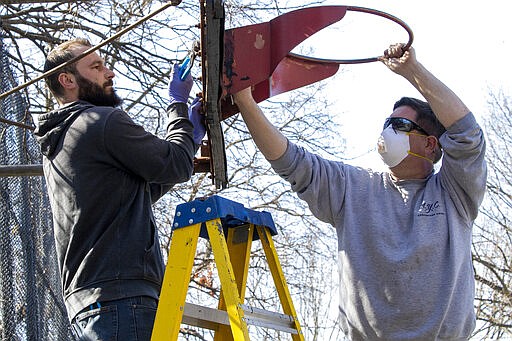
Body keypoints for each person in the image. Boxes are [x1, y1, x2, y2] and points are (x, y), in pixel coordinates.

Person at [232, 43, 487, 340]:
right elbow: (293, 163)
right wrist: (244, 101)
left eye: (400, 125)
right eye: (386, 124)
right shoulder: (354, 188)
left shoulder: (453, 193)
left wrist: (412, 71)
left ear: (431, 145)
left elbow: (467, 135)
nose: (387, 132)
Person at [34, 38, 205, 340]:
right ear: (67, 79)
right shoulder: (100, 121)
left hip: (93, 302)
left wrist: (189, 139)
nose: (109, 73)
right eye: (96, 67)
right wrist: (178, 107)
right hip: (123, 299)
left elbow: (138, 192)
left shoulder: (61, 142)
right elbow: (175, 164)